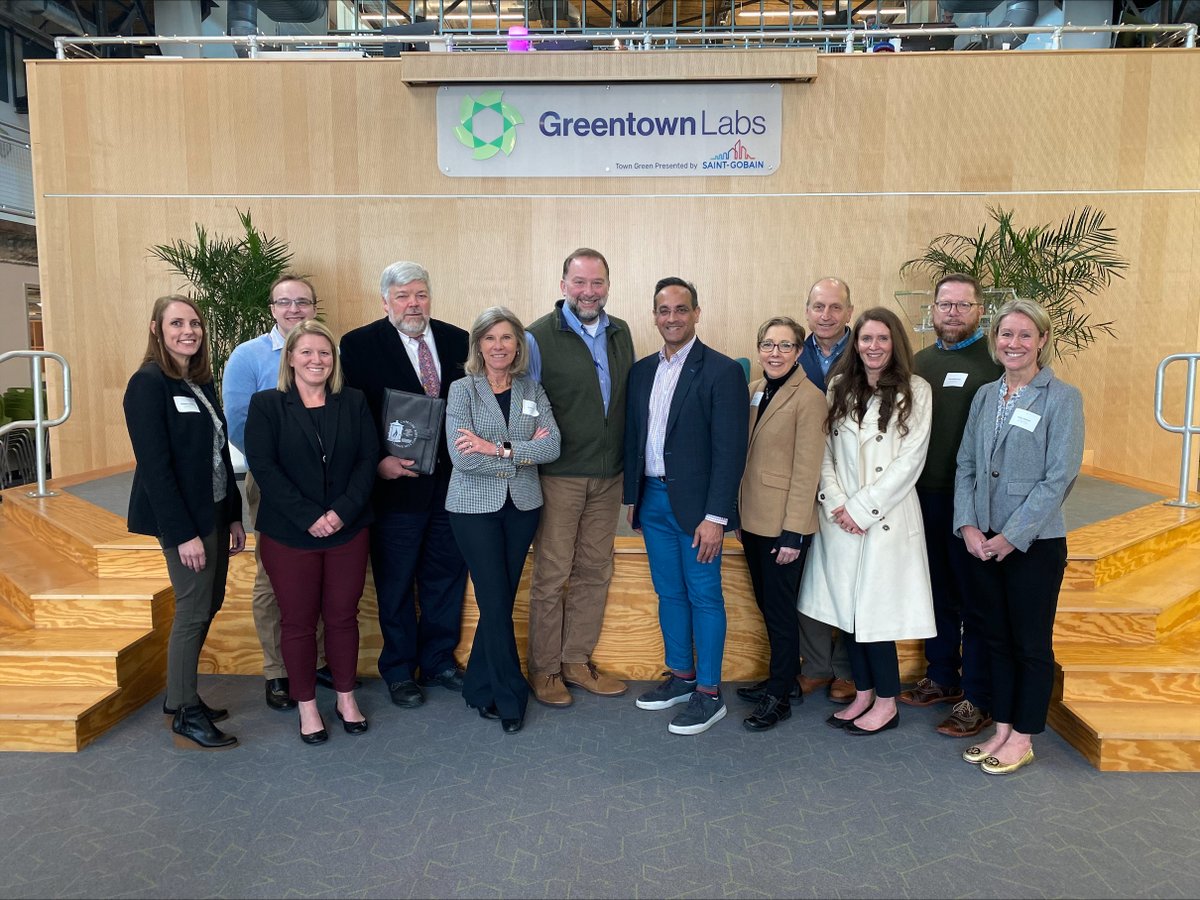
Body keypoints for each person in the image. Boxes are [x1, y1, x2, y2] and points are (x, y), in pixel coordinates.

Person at [955, 298, 1083, 775]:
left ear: (1043, 340)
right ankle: (1003, 725)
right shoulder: (987, 395)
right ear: (995, 340)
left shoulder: (1061, 397)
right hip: (980, 540)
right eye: (1006, 334)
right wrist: (967, 523)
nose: (1014, 343)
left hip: (1034, 543)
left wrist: (1010, 536)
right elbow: (966, 463)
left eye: (1025, 335)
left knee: (1030, 643)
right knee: (994, 639)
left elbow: (1060, 477)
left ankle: (1024, 735)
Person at [340, 261, 470, 709]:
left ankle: (438, 661)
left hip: (452, 486)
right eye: (402, 296)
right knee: (395, 584)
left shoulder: (458, 340)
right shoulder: (358, 345)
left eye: (420, 294)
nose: (413, 304)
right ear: (385, 301)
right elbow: (353, 415)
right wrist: (378, 461)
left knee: (445, 576)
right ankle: (399, 670)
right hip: (395, 488)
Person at [800, 307, 935, 735]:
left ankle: (887, 702)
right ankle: (862, 693)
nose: (872, 347)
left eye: (881, 339)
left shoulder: (917, 390)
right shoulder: (839, 386)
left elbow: (910, 462)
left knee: (878, 619)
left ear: (895, 343)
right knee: (850, 615)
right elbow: (823, 453)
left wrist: (861, 509)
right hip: (842, 520)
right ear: (854, 344)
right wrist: (838, 502)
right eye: (865, 339)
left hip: (885, 520)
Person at [244, 320, 379, 745]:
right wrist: (308, 516)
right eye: (307, 352)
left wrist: (340, 513)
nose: (316, 360)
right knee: (298, 622)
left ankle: (345, 698)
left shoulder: (353, 401)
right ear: (290, 358)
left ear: (333, 361)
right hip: (289, 533)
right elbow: (265, 468)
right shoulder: (267, 404)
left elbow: (367, 459)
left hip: (347, 529)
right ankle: (306, 706)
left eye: (324, 353)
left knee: (342, 617)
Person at [625, 277, 749, 736]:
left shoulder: (720, 371)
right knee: (669, 593)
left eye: (681, 309)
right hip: (653, 501)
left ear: (697, 313)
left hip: (699, 511)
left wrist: (717, 516)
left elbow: (730, 449)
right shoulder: (641, 372)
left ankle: (710, 694)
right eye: (663, 310)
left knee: (703, 596)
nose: (671, 317)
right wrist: (634, 500)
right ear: (654, 315)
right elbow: (633, 439)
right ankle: (681, 676)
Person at [123, 295, 246, 750]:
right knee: (192, 610)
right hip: (183, 520)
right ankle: (186, 711)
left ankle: (179, 696)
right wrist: (182, 535)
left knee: (209, 604)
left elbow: (219, 455)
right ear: (157, 329)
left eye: (194, 323)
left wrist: (232, 515)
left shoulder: (197, 381)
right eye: (176, 323)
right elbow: (155, 469)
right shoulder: (148, 383)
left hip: (213, 509)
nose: (188, 331)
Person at [523, 248, 635, 707]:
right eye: (580, 282)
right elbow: (525, 408)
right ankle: (545, 670)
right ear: (563, 284)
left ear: (608, 284)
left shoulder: (621, 332)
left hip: (608, 477)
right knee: (552, 574)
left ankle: (575, 661)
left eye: (597, 282)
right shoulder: (536, 337)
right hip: (559, 476)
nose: (589, 291)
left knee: (594, 572)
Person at [445, 307, 561, 735]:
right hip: (472, 509)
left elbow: (554, 447)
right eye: (490, 338)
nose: (499, 346)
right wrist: (521, 450)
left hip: (523, 506)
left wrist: (496, 449)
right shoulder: (463, 391)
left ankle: (478, 686)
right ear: (478, 344)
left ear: (519, 346)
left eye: (507, 338)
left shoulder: (532, 388)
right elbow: (461, 456)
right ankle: (510, 695)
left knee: (500, 600)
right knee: (495, 600)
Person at [223, 274, 333, 713]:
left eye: (302, 302)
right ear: (271, 308)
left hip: (327, 483)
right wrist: (285, 478)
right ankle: (278, 671)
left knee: (323, 570)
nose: (293, 310)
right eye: (284, 302)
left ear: (314, 306)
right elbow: (237, 423)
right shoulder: (248, 356)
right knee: (274, 576)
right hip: (272, 484)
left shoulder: (326, 350)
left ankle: (318, 660)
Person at [899, 274, 1003, 739]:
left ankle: (977, 697)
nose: (953, 313)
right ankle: (941, 675)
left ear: (980, 309)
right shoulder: (918, 363)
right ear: (933, 310)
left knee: (975, 601)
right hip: (923, 497)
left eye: (964, 305)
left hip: (975, 506)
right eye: (946, 304)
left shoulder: (996, 361)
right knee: (936, 591)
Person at [735, 317, 827, 731]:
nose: (775, 353)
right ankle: (784, 678)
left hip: (784, 526)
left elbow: (808, 471)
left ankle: (780, 696)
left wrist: (794, 530)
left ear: (798, 350)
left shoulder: (809, 398)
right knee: (766, 605)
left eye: (785, 346)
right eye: (768, 344)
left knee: (780, 610)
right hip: (753, 518)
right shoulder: (755, 390)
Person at [796, 276, 857, 704]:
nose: (826, 315)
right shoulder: (790, 352)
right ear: (807, 311)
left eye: (835, 307)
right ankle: (816, 666)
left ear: (849, 312)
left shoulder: (868, 350)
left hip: (850, 484)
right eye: (819, 307)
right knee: (808, 578)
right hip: (800, 479)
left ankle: (849, 670)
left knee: (850, 578)